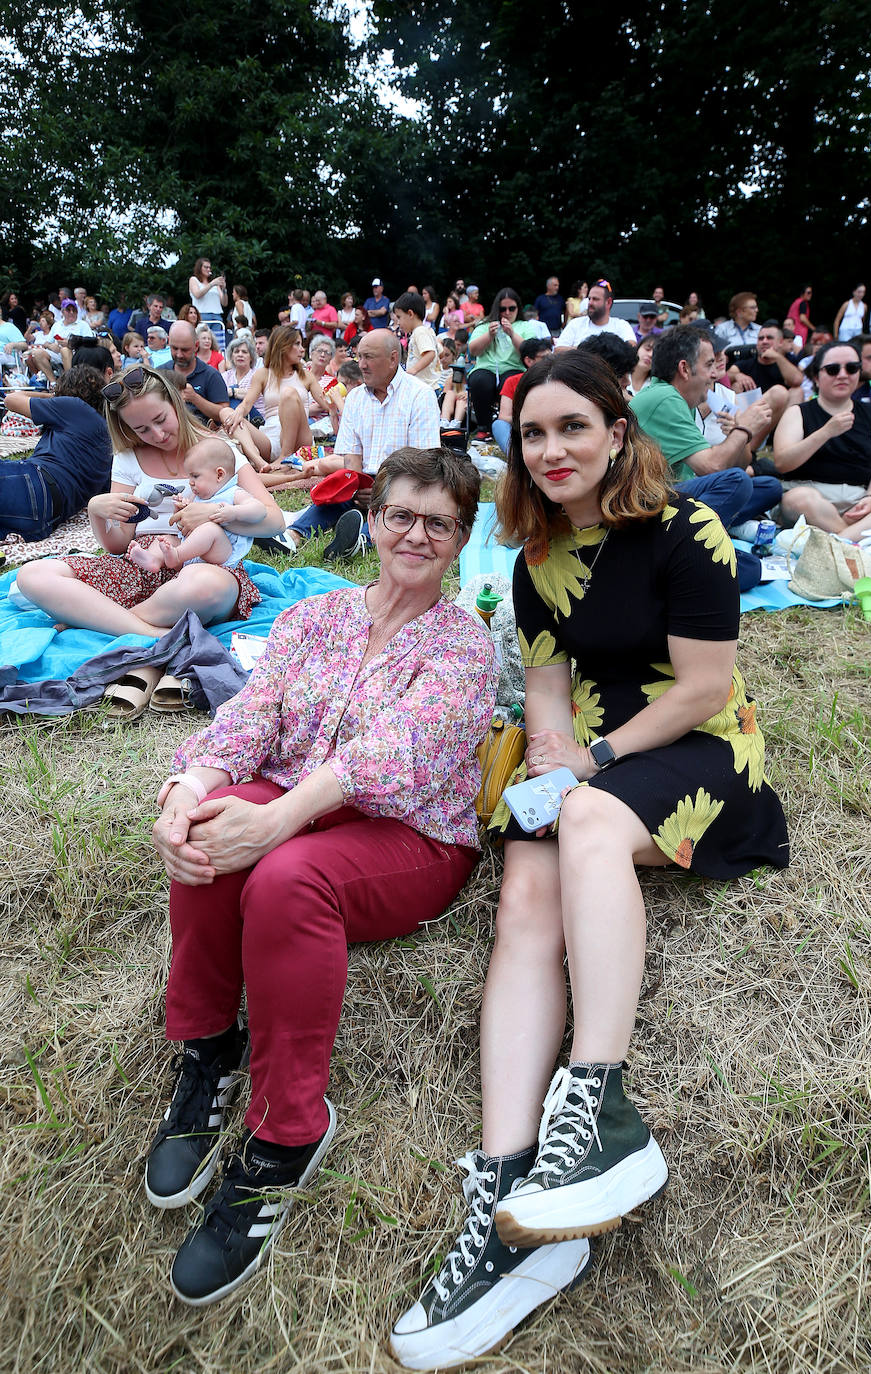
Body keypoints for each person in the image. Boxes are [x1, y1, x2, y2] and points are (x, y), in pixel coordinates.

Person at [391, 351, 789, 1370]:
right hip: (591, 752)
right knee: (524, 894)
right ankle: (509, 1193)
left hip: (693, 747)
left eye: (571, 425)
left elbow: (704, 689)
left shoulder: (687, 532)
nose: (551, 448)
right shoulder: (532, 562)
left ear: (617, 432)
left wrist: (591, 768)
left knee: (589, 825)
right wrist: (554, 760)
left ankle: (599, 1107)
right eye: (532, 433)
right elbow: (548, 694)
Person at [146, 445, 497, 1306]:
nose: (417, 534)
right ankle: (209, 1050)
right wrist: (186, 788)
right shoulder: (316, 620)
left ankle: (287, 1132)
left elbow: (400, 755)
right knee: (209, 827)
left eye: (439, 523)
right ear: (371, 520)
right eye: (401, 515)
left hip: (410, 836)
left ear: (460, 539)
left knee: (285, 877)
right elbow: (251, 721)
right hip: (302, 800)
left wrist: (276, 819)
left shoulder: (465, 644)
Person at [15, 366, 283, 638]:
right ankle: (152, 633)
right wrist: (97, 511)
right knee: (32, 576)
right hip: (140, 566)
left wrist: (213, 514)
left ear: (175, 402)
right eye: (141, 429)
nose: (157, 435)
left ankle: (103, 619)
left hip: (202, 563)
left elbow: (275, 521)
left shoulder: (218, 452)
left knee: (204, 588)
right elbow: (118, 544)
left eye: (160, 419)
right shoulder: (127, 458)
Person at [629, 325, 778, 586]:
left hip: (670, 499)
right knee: (749, 565)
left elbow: (733, 465)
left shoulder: (677, 399)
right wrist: (744, 427)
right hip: (646, 514)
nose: (714, 374)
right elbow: (712, 465)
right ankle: (685, 550)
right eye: (709, 364)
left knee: (769, 487)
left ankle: (707, 538)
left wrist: (737, 432)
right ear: (685, 369)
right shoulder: (665, 398)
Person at [284, 330, 440, 551]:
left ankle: (359, 541)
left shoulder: (420, 395)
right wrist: (355, 488)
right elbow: (351, 458)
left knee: (395, 513)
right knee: (332, 497)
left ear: (393, 358)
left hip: (404, 483)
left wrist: (382, 492)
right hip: (364, 481)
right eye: (359, 357)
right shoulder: (356, 398)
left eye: (369, 357)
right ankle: (292, 536)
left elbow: (422, 464)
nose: (362, 365)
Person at [772, 340, 871, 532]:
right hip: (810, 495)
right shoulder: (798, 413)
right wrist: (826, 432)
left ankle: (843, 535)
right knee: (799, 500)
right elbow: (782, 462)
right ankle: (851, 538)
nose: (843, 375)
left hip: (857, 499)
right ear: (816, 377)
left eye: (852, 368)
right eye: (833, 370)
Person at [0, 365, 112, 541]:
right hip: (43, 522)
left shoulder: (75, 407)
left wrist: (51, 397)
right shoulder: (107, 437)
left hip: (34, 484)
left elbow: (11, 399)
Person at [128, 437, 264, 574]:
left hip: (220, 554)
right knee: (166, 539)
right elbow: (183, 528)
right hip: (190, 553)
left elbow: (259, 510)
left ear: (219, 475)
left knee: (210, 529)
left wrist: (234, 512)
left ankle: (176, 556)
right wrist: (181, 511)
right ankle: (154, 560)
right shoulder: (196, 497)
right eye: (189, 477)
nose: (190, 482)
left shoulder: (233, 493)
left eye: (195, 476)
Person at [225, 325, 340, 464]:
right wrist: (238, 412)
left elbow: (328, 407)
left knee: (289, 393)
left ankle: (285, 457)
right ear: (283, 346)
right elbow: (246, 404)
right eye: (297, 344)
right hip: (270, 438)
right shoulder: (263, 374)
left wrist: (335, 405)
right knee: (226, 412)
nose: (302, 349)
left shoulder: (306, 376)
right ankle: (260, 462)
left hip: (300, 441)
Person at [467, 287, 540, 438]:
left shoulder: (525, 326)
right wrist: (489, 335)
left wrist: (512, 333)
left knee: (511, 382)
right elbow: (473, 350)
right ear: (497, 309)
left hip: (514, 367)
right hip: (486, 367)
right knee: (480, 380)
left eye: (511, 308)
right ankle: (483, 428)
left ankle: (511, 428)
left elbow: (530, 352)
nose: (507, 312)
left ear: (518, 308)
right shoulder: (485, 325)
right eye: (503, 309)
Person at [727, 319, 803, 435]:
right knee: (736, 385)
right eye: (760, 338)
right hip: (751, 421)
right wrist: (738, 375)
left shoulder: (784, 363)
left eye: (769, 338)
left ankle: (786, 436)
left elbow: (797, 380)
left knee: (797, 391)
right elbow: (726, 375)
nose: (764, 341)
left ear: (780, 342)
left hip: (778, 420)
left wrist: (777, 357)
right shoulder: (747, 363)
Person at [492, 335, 553, 454]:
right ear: (529, 361)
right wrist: (530, 419)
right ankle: (516, 458)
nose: (551, 360)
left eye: (552, 355)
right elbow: (504, 416)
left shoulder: (557, 380)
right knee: (499, 425)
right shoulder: (513, 382)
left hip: (551, 426)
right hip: (523, 428)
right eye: (545, 357)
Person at [556, 279, 636, 349]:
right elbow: (558, 350)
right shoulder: (576, 324)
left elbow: (632, 347)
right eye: (589, 298)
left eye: (595, 299)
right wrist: (588, 348)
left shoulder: (621, 325)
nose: (590, 303)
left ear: (608, 302)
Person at [393, 290, 443, 391]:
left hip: (426, 388)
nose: (398, 322)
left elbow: (430, 354)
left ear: (410, 314)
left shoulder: (420, 332)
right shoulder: (428, 331)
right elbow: (440, 352)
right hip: (428, 386)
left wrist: (413, 370)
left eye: (399, 317)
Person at [189, 258, 228, 350]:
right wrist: (211, 284)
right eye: (206, 267)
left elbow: (224, 303)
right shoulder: (194, 280)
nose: (208, 270)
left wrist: (224, 289)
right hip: (202, 315)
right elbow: (197, 294)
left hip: (217, 316)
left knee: (217, 345)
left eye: (209, 268)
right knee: (201, 343)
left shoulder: (215, 284)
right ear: (199, 268)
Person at [222, 337, 264, 416]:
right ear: (231, 356)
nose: (240, 354)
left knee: (234, 401)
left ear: (251, 357)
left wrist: (233, 392)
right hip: (231, 416)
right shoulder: (225, 376)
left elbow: (254, 395)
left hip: (255, 418)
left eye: (244, 352)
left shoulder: (258, 375)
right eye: (236, 352)